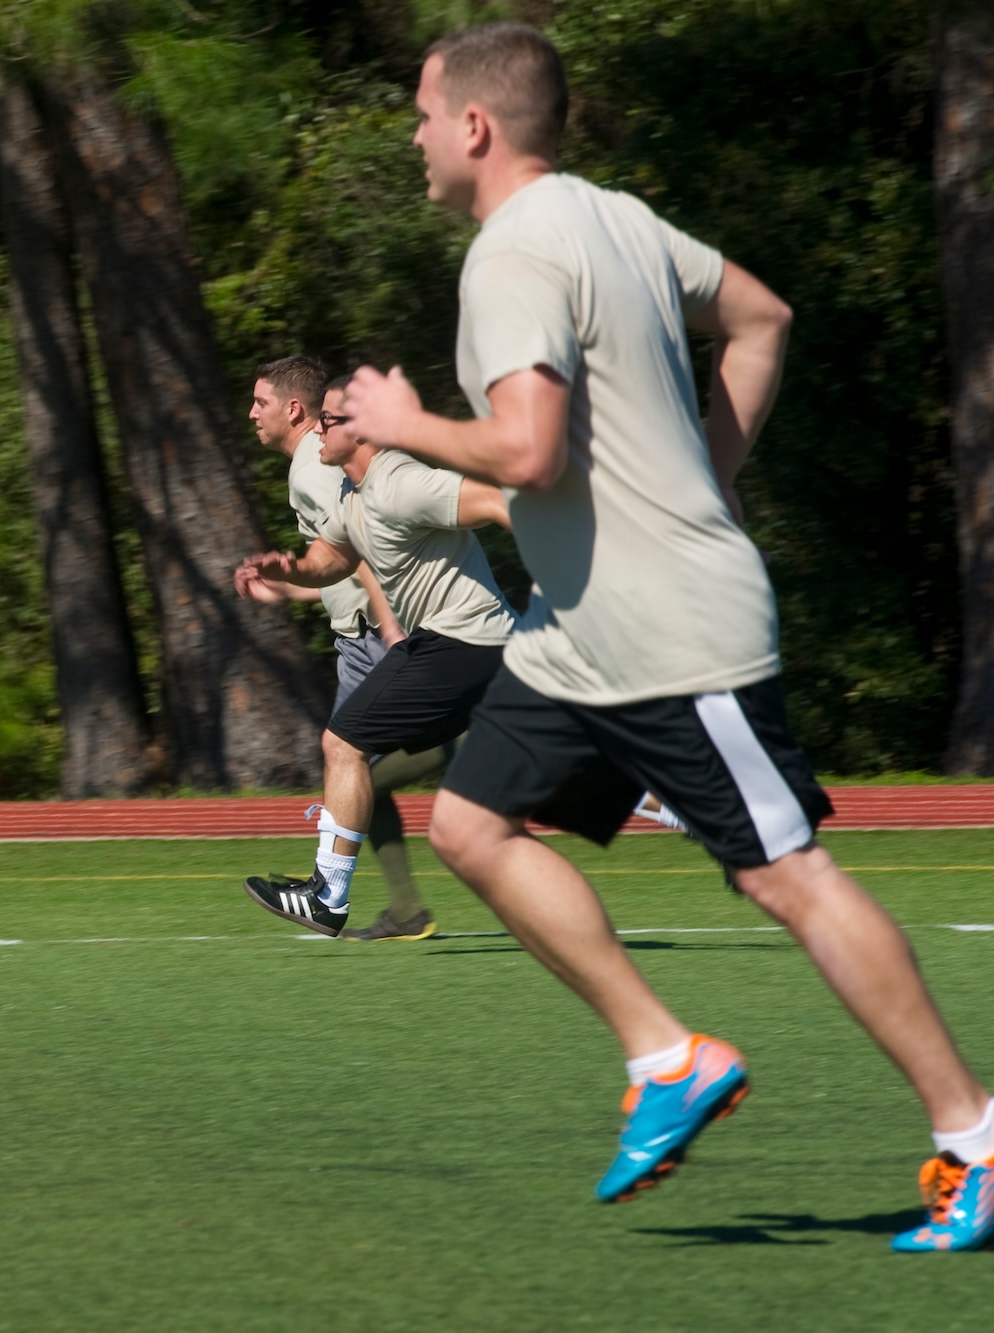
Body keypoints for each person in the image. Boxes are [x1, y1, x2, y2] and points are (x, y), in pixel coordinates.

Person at [339, 21, 994, 1251]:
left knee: (781, 876)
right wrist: (716, 468)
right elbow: (762, 319)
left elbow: (527, 452)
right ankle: (664, 1055)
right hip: (575, 633)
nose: (416, 137)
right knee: (470, 825)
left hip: (670, 634)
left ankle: (975, 1134)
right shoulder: (617, 218)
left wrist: (406, 421)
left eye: (421, 116)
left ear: (473, 128)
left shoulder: (509, 256)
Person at [235, 374, 515, 939]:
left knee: (344, 743)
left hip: (465, 642)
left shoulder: (400, 483)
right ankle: (706, 814)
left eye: (329, 422)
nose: (318, 431)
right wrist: (289, 572)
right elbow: (332, 558)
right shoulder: (354, 496)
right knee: (565, 765)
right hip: (471, 648)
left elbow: (502, 502)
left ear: (359, 433)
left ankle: (328, 895)